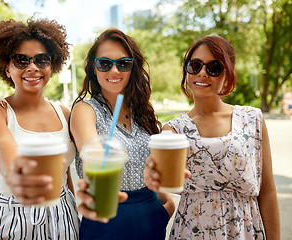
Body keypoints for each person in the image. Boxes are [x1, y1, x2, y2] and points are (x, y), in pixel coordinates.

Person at [144, 35, 280, 239]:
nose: (202, 73)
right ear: (186, 71)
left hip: (244, 232)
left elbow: (267, 191)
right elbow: (163, 190)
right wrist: (152, 180)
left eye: (214, 67)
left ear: (228, 73)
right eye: (195, 65)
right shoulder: (173, 131)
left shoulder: (252, 120)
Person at [0, 18, 79, 239]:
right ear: (7, 67)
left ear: (52, 65)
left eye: (42, 60)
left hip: (63, 212)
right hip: (12, 217)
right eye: (21, 60)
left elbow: (66, 172)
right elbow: (5, 147)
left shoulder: (65, 113)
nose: (33, 67)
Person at [69, 29, 174, 240]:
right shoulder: (85, 110)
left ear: (132, 68)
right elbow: (93, 155)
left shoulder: (144, 113)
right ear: (94, 68)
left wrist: (166, 206)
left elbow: (152, 171)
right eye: (105, 63)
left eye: (123, 63)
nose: (114, 70)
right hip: (106, 219)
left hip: (151, 220)